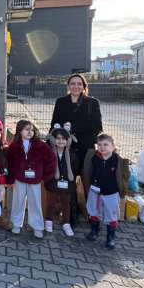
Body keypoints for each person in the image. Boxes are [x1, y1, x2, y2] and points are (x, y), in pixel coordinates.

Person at [50, 73, 103, 226]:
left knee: (88, 181)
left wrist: (73, 129)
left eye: (79, 84)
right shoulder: (61, 102)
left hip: (86, 148)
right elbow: (54, 123)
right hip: (66, 147)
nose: (76, 86)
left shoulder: (92, 103)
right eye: (73, 83)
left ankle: (92, 215)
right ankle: (71, 215)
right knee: (69, 180)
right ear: (68, 86)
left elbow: (97, 126)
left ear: (84, 86)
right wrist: (58, 134)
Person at [7, 119, 56, 239]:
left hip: (35, 180)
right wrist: (10, 179)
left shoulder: (41, 145)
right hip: (19, 179)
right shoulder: (14, 146)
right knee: (18, 202)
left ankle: (37, 226)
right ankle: (16, 224)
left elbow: (51, 160)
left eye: (32, 130)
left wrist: (45, 176)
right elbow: (9, 163)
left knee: (35, 203)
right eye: (27, 129)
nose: (30, 132)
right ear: (20, 131)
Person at [83, 134, 129, 250]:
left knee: (111, 214)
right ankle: (94, 231)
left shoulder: (117, 160)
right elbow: (88, 173)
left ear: (113, 147)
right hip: (95, 191)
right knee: (93, 211)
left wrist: (122, 189)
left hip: (111, 193)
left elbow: (124, 176)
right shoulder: (93, 158)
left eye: (106, 145)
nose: (102, 147)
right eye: (99, 145)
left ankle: (110, 237)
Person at [44, 125, 79, 237]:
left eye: (64, 139)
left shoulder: (72, 154)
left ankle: (66, 223)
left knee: (66, 204)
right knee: (51, 202)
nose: (61, 141)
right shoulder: (49, 153)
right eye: (58, 138)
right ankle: (48, 220)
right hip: (53, 183)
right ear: (53, 139)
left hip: (67, 183)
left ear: (68, 140)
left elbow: (75, 168)